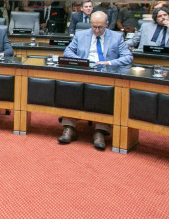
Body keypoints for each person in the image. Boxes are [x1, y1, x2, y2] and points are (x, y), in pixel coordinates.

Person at [53, 10, 132, 148]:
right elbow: (68, 52)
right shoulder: (81, 34)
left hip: (106, 75)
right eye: (94, 26)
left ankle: (100, 131)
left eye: (100, 27)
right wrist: (83, 61)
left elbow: (128, 57)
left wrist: (109, 63)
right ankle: (69, 128)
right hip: (84, 72)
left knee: (105, 92)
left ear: (107, 24)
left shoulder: (116, 37)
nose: (96, 30)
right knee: (70, 88)